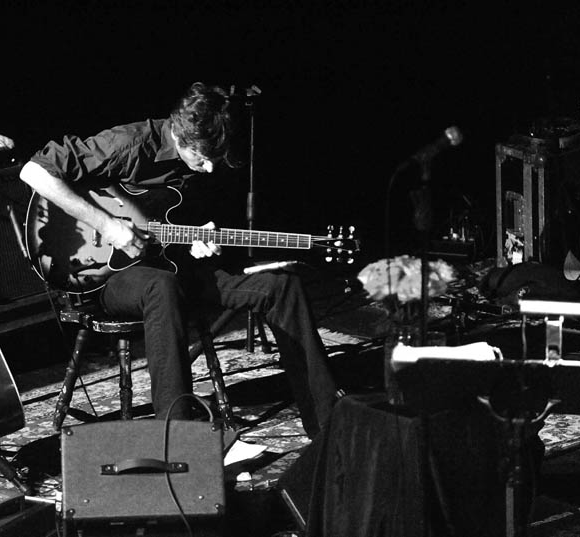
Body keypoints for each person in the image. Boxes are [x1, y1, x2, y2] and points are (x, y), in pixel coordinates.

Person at [19, 82, 341, 437]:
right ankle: (178, 439)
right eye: (200, 159)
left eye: (212, 160)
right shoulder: (129, 142)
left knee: (282, 286)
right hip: (103, 277)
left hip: (170, 263)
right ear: (179, 135)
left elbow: (173, 226)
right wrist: (108, 225)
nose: (207, 169)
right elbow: (34, 172)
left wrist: (197, 241)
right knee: (162, 286)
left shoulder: (202, 162)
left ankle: (329, 427)